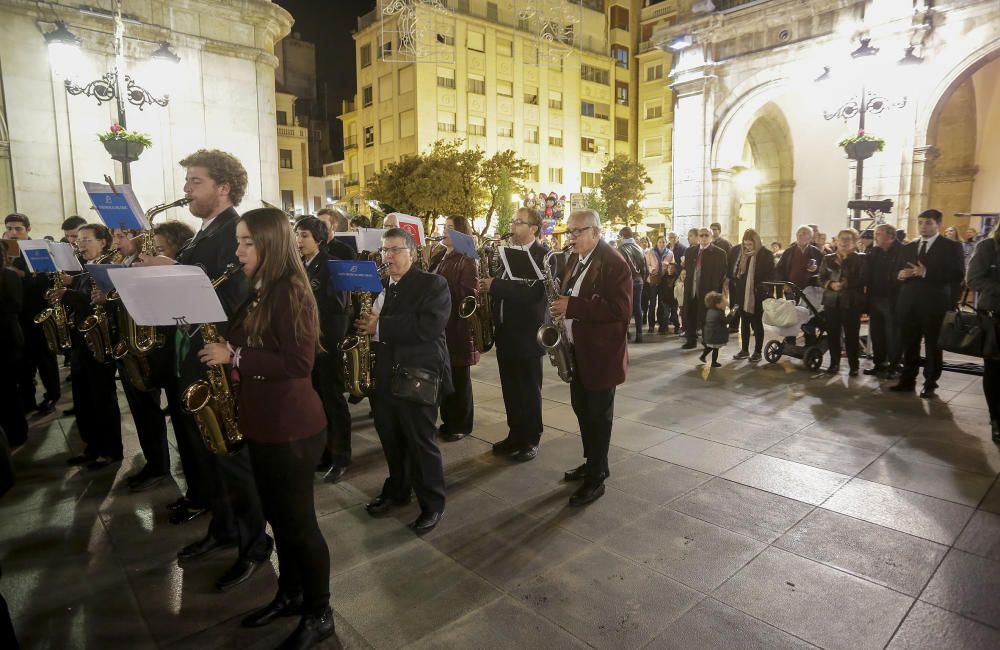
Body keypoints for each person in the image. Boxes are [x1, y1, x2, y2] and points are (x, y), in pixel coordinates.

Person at [198, 208, 335, 649]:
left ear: (271, 245)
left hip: (292, 427)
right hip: (264, 421)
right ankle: (291, 594)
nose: (238, 251)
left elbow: (299, 363)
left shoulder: (291, 291)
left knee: (300, 525)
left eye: (247, 242)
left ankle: (320, 613)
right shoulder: (262, 288)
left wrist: (233, 356)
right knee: (279, 518)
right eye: (238, 241)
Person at [140, 150, 271, 591]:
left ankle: (254, 546)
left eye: (195, 181)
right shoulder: (204, 233)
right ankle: (224, 529)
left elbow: (236, 297)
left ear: (223, 187)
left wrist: (174, 272)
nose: (186, 190)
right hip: (194, 354)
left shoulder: (235, 232)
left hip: (220, 359)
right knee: (208, 457)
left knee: (233, 460)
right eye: (188, 182)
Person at [358, 228, 450, 533]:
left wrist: (379, 326)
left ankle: (432, 504)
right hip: (383, 377)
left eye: (396, 250)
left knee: (421, 443)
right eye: (385, 250)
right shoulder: (380, 285)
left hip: (417, 377)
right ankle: (398, 490)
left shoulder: (432, 284)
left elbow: (429, 326)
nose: (389, 256)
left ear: (412, 252)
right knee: (392, 441)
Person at [548, 209, 631, 507]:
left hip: (601, 355)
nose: (571, 238)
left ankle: (596, 478)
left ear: (596, 232)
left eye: (577, 231)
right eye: (569, 231)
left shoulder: (614, 262)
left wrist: (574, 306)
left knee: (598, 416)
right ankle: (594, 461)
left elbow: (620, 310)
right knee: (582, 409)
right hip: (577, 352)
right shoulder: (576, 258)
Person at [484, 207, 548, 461]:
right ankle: (515, 434)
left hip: (527, 335)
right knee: (510, 389)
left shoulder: (542, 255)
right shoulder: (506, 253)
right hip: (506, 332)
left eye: (518, 222)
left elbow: (532, 296)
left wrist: (495, 285)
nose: (512, 225)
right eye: (513, 221)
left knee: (529, 390)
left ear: (533, 228)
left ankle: (531, 439)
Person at [57, 223, 123, 469]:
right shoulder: (84, 269)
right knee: (83, 399)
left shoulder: (107, 268)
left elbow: (98, 304)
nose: (80, 245)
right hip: (80, 342)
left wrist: (69, 293)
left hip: (99, 342)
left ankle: (111, 450)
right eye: (79, 241)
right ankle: (92, 447)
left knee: (101, 399)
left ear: (103, 242)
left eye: (86, 240)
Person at [295, 216, 355, 483]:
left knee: (333, 400)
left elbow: (340, 311)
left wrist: (327, 343)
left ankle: (341, 456)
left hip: (326, 344)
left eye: (304, 235)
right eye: (297, 234)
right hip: (306, 343)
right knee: (316, 401)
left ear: (319, 239)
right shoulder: (300, 265)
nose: (299, 240)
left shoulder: (333, 266)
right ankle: (324, 452)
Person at [891, 209, 965, 399]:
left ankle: (930, 383)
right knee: (909, 344)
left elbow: (958, 275)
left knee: (933, 345)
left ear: (938, 224)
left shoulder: (951, 246)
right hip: (909, 304)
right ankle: (907, 380)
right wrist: (900, 275)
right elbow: (897, 270)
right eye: (921, 222)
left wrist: (926, 273)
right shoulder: (909, 246)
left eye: (928, 223)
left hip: (935, 305)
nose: (923, 226)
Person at [5, 213, 61, 416]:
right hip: (17, 317)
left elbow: (46, 281)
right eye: (9, 228)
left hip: (38, 313)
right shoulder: (5, 251)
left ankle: (52, 395)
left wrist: (23, 275)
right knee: (22, 362)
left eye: (18, 229)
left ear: (28, 229)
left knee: (45, 359)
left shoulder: (38, 249)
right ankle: (27, 399)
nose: (13, 233)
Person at [432, 216, 479, 442]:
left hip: (457, 326)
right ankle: (448, 420)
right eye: (445, 227)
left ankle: (461, 423)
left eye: (450, 228)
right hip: (442, 325)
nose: (444, 232)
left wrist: (441, 292)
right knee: (446, 376)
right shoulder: (441, 255)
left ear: (461, 233)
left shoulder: (467, 259)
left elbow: (468, 296)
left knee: (459, 379)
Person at [964, 224, 1000, 443]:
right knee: (995, 371)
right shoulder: (989, 247)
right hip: (996, 317)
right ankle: (996, 418)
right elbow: (973, 279)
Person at [818, 229, 868, 376]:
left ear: (854, 243)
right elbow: (820, 278)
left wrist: (846, 279)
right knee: (833, 334)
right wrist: (830, 284)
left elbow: (863, 278)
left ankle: (854, 366)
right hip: (831, 301)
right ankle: (834, 364)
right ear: (837, 241)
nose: (844, 242)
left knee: (851, 335)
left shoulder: (861, 259)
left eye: (848, 239)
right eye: (842, 239)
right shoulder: (827, 258)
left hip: (851, 302)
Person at [865, 224, 904, 377]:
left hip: (893, 298)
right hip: (876, 297)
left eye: (878, 234)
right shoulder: (875, 251)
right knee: (877, 333)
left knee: (893, 334)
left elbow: (903, 273)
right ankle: (879, 363)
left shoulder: (903, 250)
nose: (875, 237)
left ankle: (894, 366)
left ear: (890, 236)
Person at [729, 229, 774, 361]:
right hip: (743, 293)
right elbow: (738, 273)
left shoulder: (766, 254)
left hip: (757, 294)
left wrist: (762, 287)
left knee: (756, 322)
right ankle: (744, 350)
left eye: (750, 244)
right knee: (744, 322)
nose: (748, 247)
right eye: (746, 244)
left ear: (756, 242)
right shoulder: (744, 254)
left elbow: (770, 274)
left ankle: (758, 352)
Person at [680, 228, 727, 350]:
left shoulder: (719, 253)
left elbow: (721, 274)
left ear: (711, 237)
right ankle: (691, 340)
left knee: (707, 317)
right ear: (698, 237)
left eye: (707, 235)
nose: (704, 238)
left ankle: (707, 341)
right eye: (701, 235)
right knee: (690, 314)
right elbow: (687, 270)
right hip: (692, 288)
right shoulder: (690, 251)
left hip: (708, 291)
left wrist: (718, 294)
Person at [0, 244, 27, 448]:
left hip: (7, 337)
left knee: (8, 389)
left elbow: (16, 305)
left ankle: (17, 434)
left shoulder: (8, 276)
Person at [617, 227, 647, 343]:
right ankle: (639, 333)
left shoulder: (621, 248)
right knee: (637, 306)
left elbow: (620, 267)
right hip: (638, 280)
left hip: (626, 281)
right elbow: (644, 267)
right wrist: (642, 278)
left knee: (626, 306)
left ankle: (626, 332)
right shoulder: (639, 248)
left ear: (622, 236)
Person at [647, 236, 673, 334]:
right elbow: (647, 264)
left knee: (662, 303)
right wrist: (651, 270)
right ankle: (651, 325)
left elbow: (673, 265)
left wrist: (669, 269)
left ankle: (661, 324)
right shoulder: (650, 252)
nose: (661, 244)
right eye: (660, 242)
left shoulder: (670, 253)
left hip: (664, 281)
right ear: (656, 243)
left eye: (663, 242)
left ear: (666, 243)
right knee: (652, 303)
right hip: (653, 279)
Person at [700, 292, 728, 367]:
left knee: (710, 347)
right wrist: (731, 314)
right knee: (715, 349)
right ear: (717, 305)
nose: (725, 302)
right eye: (723, 301)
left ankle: (702, 356)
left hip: (710, 334)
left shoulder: (710, 310)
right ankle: (714, 362)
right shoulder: (719, 313)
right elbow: (725, 321)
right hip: (715, 335)